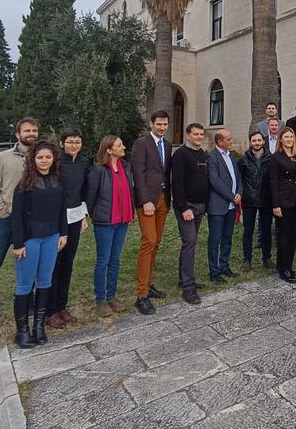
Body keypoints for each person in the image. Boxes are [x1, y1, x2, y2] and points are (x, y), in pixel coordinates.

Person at [0, 117, 39, 328]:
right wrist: (1, 212)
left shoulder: (40, 157)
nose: (31, 134)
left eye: (34, 130)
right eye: (27, 130)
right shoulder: (3, 158)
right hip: (6, 220)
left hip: (31, 220)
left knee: (29, 263)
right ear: (18, 134)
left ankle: (28, 302)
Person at [9, 140, 67, 348]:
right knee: (25, 284)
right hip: (30, 240)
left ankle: (39, 327)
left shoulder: (57, 181)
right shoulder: (24, 185)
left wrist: (63, 233)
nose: (44, 161)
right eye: (40, 157)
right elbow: (16, 217)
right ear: (33, 160)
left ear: (54, 159)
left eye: (48, 157)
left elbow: (62, 210)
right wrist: (18, 243)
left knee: (44, 281)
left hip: (52, 237)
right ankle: (22, 331)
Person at [45, 129, 90, 329]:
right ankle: (50, 310)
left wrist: (83, 215)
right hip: (56, 218)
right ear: (62, 144)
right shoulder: (56, 162)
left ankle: (62, 306)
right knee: (53, 264)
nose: (74, 145)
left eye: (77, 142)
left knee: (67, 263)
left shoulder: (84, 162)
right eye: (70, 142)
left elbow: (84, 191)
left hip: (75, 216)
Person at [86, 135, 135, 318]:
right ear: (109, 150)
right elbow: (90, 198)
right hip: (105, 222)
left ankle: (112, 296)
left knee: (115, 259)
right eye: (119, 145)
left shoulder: (126, 167)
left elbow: (129, 191)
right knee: (103, 260)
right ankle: (100, 300)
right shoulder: (98, 171)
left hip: (122, 220)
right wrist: (97, 216)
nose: (123, 147)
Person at [130, 111, 172, 316]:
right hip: (147, 201)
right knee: (149, 241)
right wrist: (145, 200)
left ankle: (148, 284)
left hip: (163, 199)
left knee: (157, 242)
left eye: (165, 124)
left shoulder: (168, 145)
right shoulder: (142, 143)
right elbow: (138, 174)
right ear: (151, 124)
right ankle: (141, 295)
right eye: (159, 124)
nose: (162, 127)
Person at [172, 123, 210, 305]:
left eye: (201, 134)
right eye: (196, 134)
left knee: (190, 243)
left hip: (200, 206)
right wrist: (183, 207)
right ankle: (188, 287)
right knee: (190, 241)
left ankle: (183, 279)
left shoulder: (201, 153)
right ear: (188, 135)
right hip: (187, 206)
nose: (199, 137)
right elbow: (177, 183)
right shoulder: (180, 155)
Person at [268, 127, 296, 283]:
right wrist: (276, 205)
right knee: (284, 237)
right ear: (281, 139)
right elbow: (273, 182)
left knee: (293, 236)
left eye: (291, 137)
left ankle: (288, 266)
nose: (289, 139)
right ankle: (283, 269)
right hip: (283, 202)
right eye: (286, 137)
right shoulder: (275, 158)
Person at [207, 129, 242, 284]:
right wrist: (231, 196)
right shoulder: (212, 157)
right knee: (215, 240)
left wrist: (239, 192)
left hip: (231, 206)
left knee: (227, 238)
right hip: (218, 206)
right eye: (228, 139)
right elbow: (214, 181)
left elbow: (238, 178)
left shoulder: (231, 156)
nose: (231, 141)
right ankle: (214, 272)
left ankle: (224, 266)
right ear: (220, 142)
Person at [237, 131, 273, 270]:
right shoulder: (243, 159)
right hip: (249, 199)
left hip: (266, 199)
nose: (257, 143)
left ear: (263, 141)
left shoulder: (270, 158)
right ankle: (247, 260)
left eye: (259, 140)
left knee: (266, 231)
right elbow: (240, 179)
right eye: (254, 140)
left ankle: (267, 258)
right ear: (250, 142)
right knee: (248, 231)